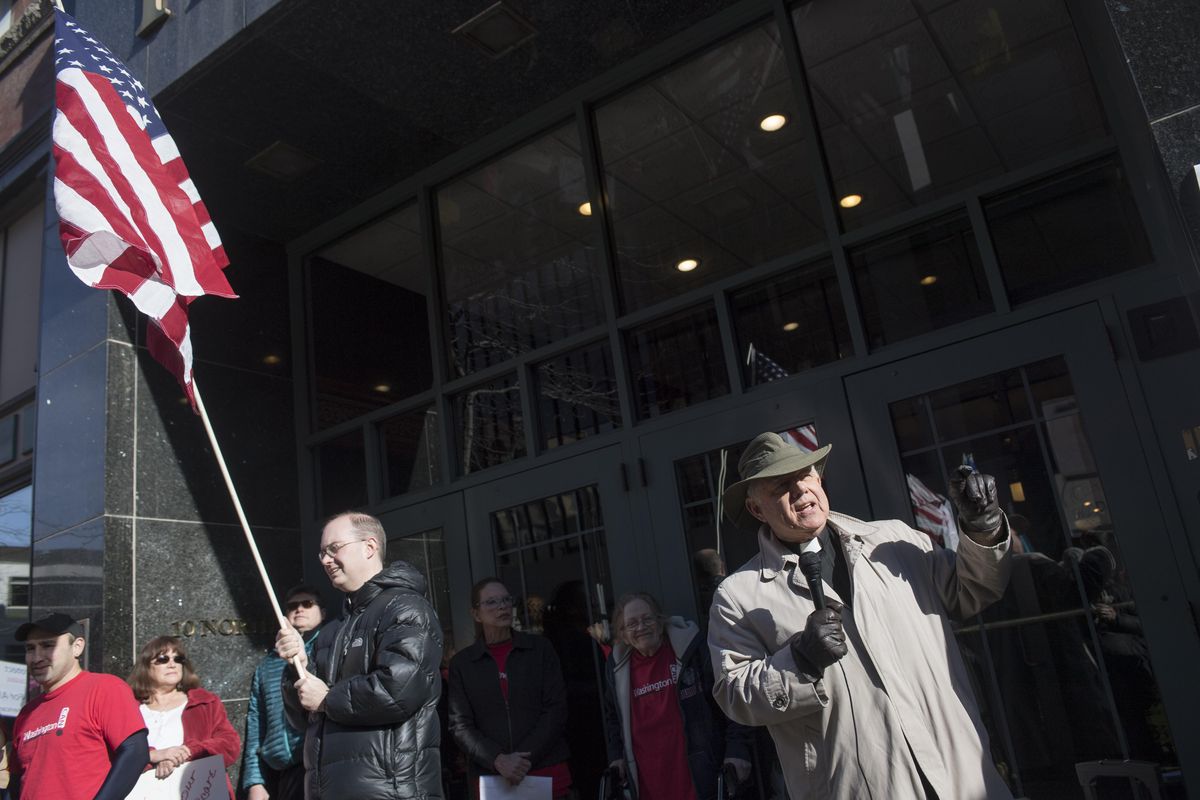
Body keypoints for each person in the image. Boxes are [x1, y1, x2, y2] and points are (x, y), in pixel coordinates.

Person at [708, 432, 1013, 800]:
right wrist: (799, 661)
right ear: (757, 509)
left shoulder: (894, 541)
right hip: (860, 788)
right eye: (781, 486)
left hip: (961, 776)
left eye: (805, 476)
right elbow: (734, 695)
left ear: (818, 479)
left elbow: (972, 591)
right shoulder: (739, 596)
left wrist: (982, 527)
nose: (801, 490)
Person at [276, 510, 443, 799]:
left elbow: (398, 690)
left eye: (334, 549)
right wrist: (296, 667)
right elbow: (303, 718)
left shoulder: (406, 609)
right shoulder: (331, 631)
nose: (326, 560)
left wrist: (328, 699)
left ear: (369, 547)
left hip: (388, 790)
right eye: (322, 554)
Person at [604, 591, 753, 800]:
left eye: (647, 619)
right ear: (623, 634)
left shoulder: (690, 650)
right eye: (632, 624)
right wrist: (616, 756)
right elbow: (612, 718)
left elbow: (730, 699)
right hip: (648, 781)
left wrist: (737, 748)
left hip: (698, 775)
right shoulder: (617, 668)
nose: (641, 627)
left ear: (659, 620)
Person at [449, 577, 572, 798]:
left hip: (545, 769)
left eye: (506, 600)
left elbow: (555, 709)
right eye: (492, 602)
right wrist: (498, 759)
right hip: (494, 777)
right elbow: (460, 725)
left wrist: (523, 759)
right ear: (476, 614)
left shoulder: (540, 649)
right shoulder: (463, 664)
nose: (502, 606)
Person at [11, 613, 147, 799]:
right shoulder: (27, 713)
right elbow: (17, 780)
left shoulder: (105, 688)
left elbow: (136, 752)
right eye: (30, 648)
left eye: (48, 645)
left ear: (77, 647)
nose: (37, 657)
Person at [127, 635, 241, 797]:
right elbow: (120, 753)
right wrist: (154, 759)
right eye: (163, 659)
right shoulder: (132, 708)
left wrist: (186, 752)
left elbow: (230, 745)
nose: (172, 664)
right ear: (146, 667)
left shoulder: (205, 702)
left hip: (198, 790)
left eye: (178, 658)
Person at [242, 584, 326, 800]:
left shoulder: (330, 649)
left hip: (322, 766)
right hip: (283, 773)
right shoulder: (267, 666)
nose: (299, 609)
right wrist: (255, 781)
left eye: (307, 604)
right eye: (293, 606)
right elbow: (256, 722)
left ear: (322, 612)